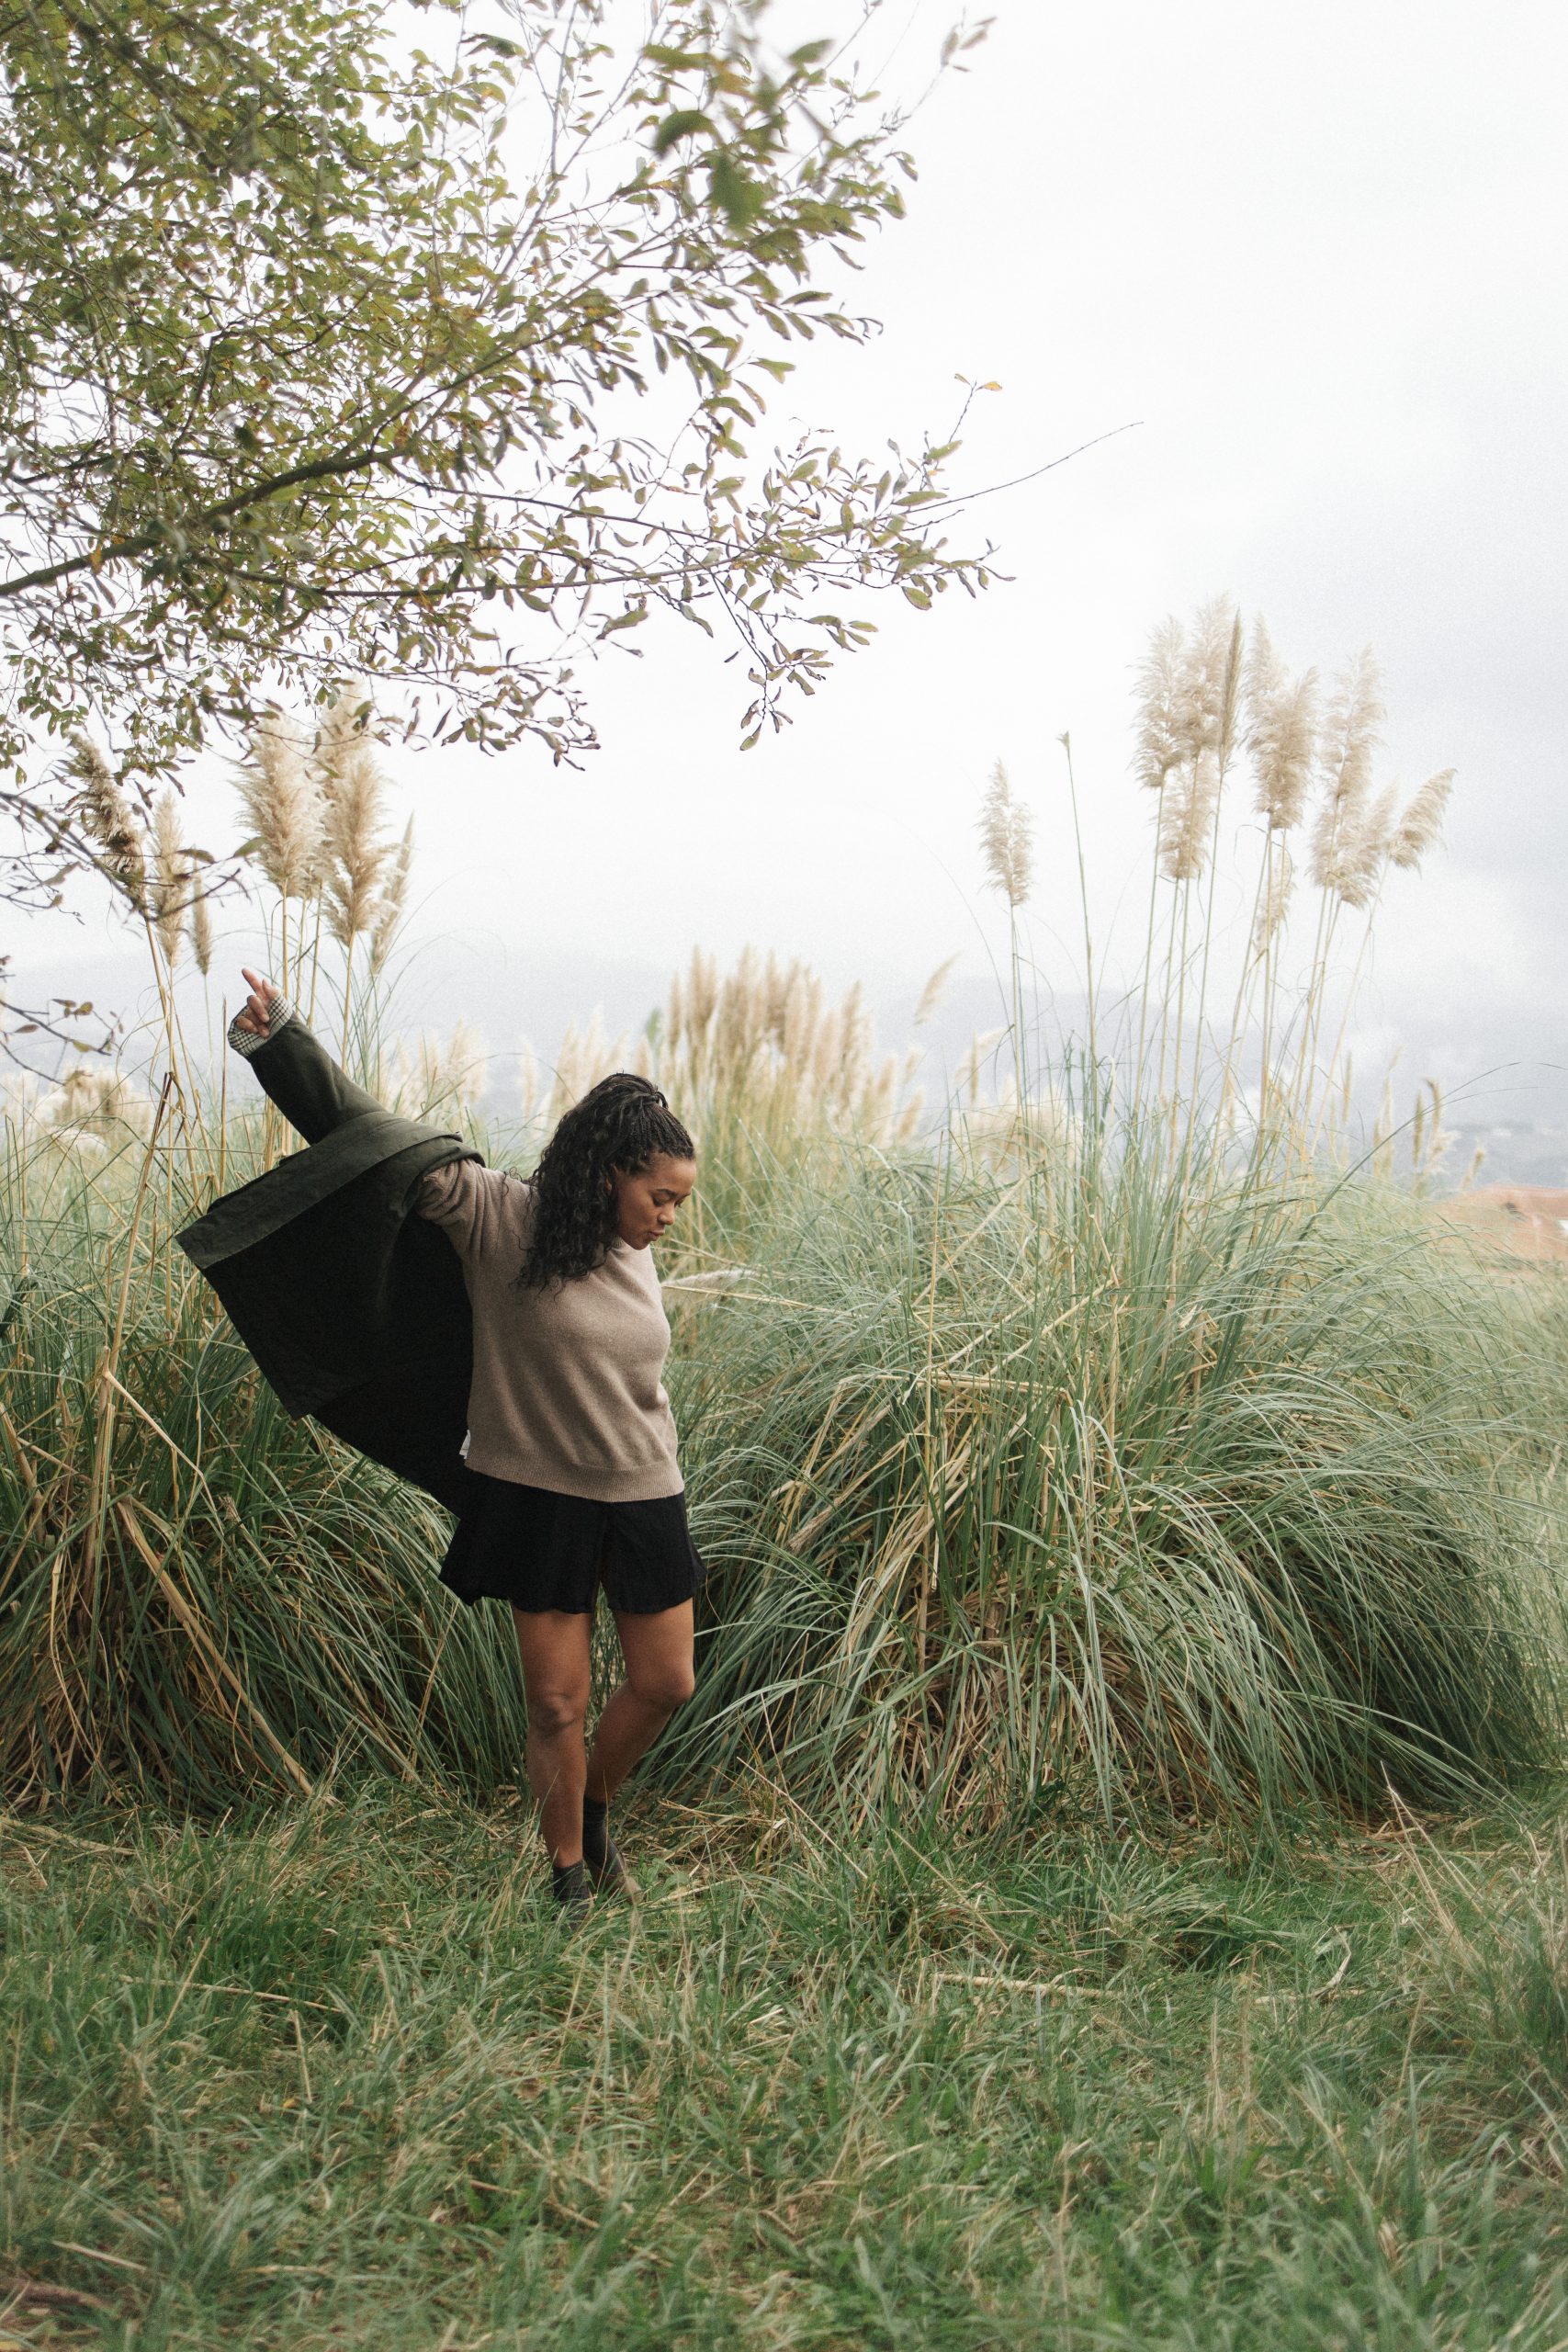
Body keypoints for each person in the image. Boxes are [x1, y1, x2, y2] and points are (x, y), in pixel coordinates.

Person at [229, 968, 701, 1919]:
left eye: (680, 1201)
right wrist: (284, 1045)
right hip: (536, 1492)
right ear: (609, 1171)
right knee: (557, 1705)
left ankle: (596, 1808)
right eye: (661, 1195)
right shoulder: (498, 1217)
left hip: (645, 1487)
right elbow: (375, 1139)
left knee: (666, 1681)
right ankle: (567, 1870)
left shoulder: (638, 1252)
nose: (668, 1216)